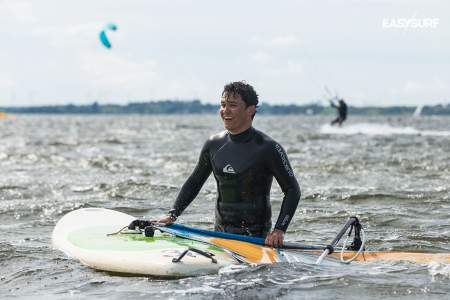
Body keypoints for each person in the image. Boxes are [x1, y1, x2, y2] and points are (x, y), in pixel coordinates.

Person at [157, 81, 301, 248]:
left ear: (251, 110)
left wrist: (279, 230)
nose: (225, 110)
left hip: (254, 239)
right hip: (219, 235)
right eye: (223, 105)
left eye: (232, 105)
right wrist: (173, 214)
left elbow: (292, 190)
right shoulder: (213, 144)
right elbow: (195, 182)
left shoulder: (268, 147)